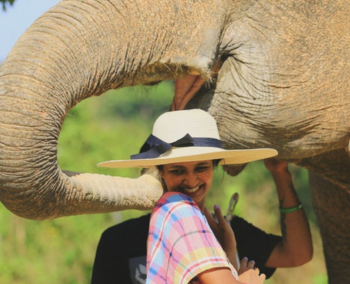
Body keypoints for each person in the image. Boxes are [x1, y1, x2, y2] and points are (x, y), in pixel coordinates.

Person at [93, 109, 311, 284]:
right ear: (160, 171)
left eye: (201, 168)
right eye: (178, 170)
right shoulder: (177, 210)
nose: (191, 180)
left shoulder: (224, 231)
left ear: (215, 167)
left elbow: (297, 254)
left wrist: (229, 252)